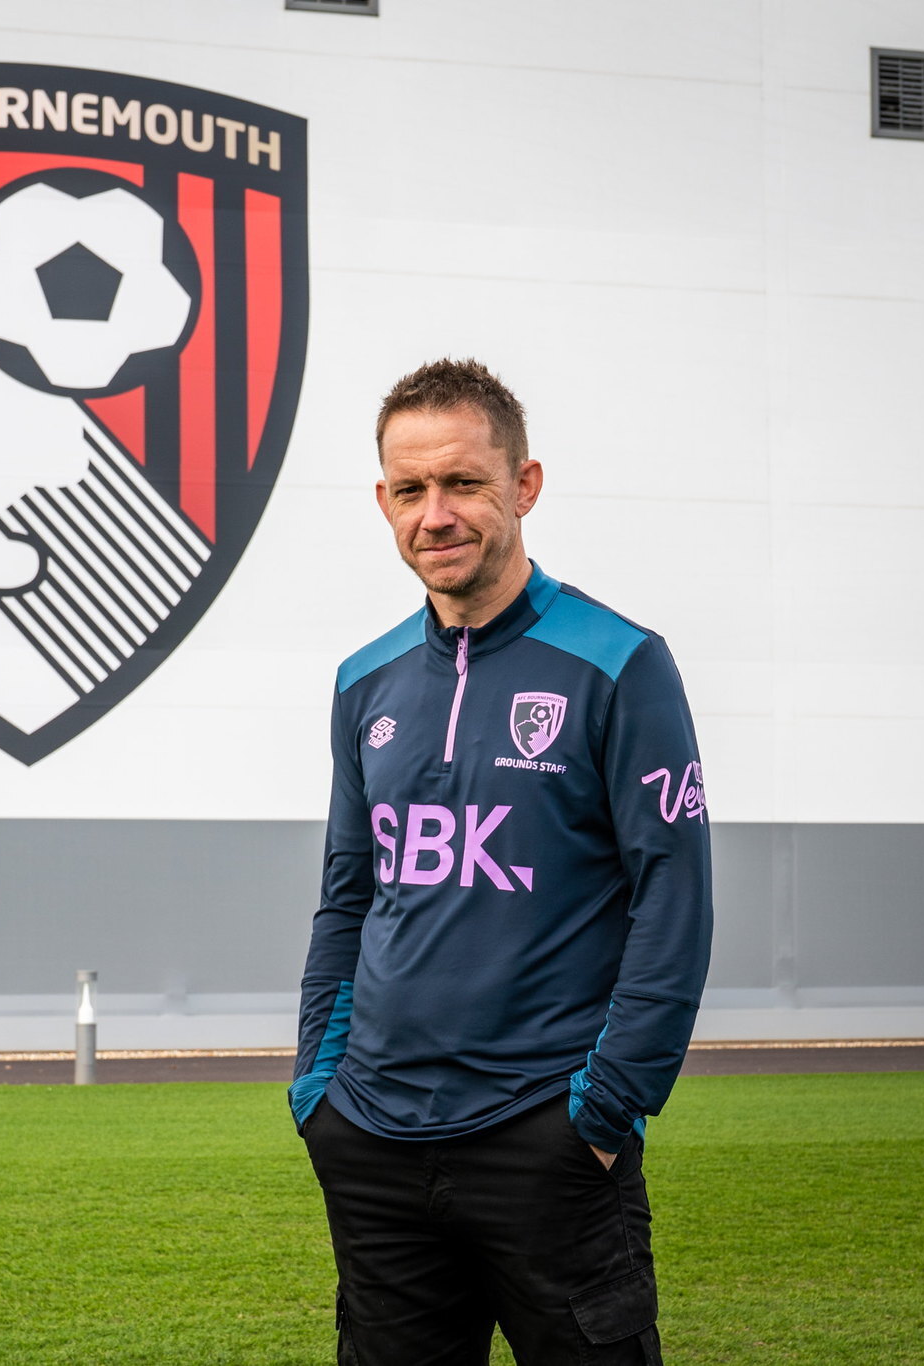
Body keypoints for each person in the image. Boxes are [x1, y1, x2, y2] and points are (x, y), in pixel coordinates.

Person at [291, 358, 711, 1365]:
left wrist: (605, 1109)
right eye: (409, 489)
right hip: (374, 1140)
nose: (434, 514)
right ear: (383, 500)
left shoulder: (619, 663)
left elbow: (673, 900)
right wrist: (317, 1087)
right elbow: (348, 895)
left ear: (522, 485)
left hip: (545, 1138)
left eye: (462, 482)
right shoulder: (365, 679)